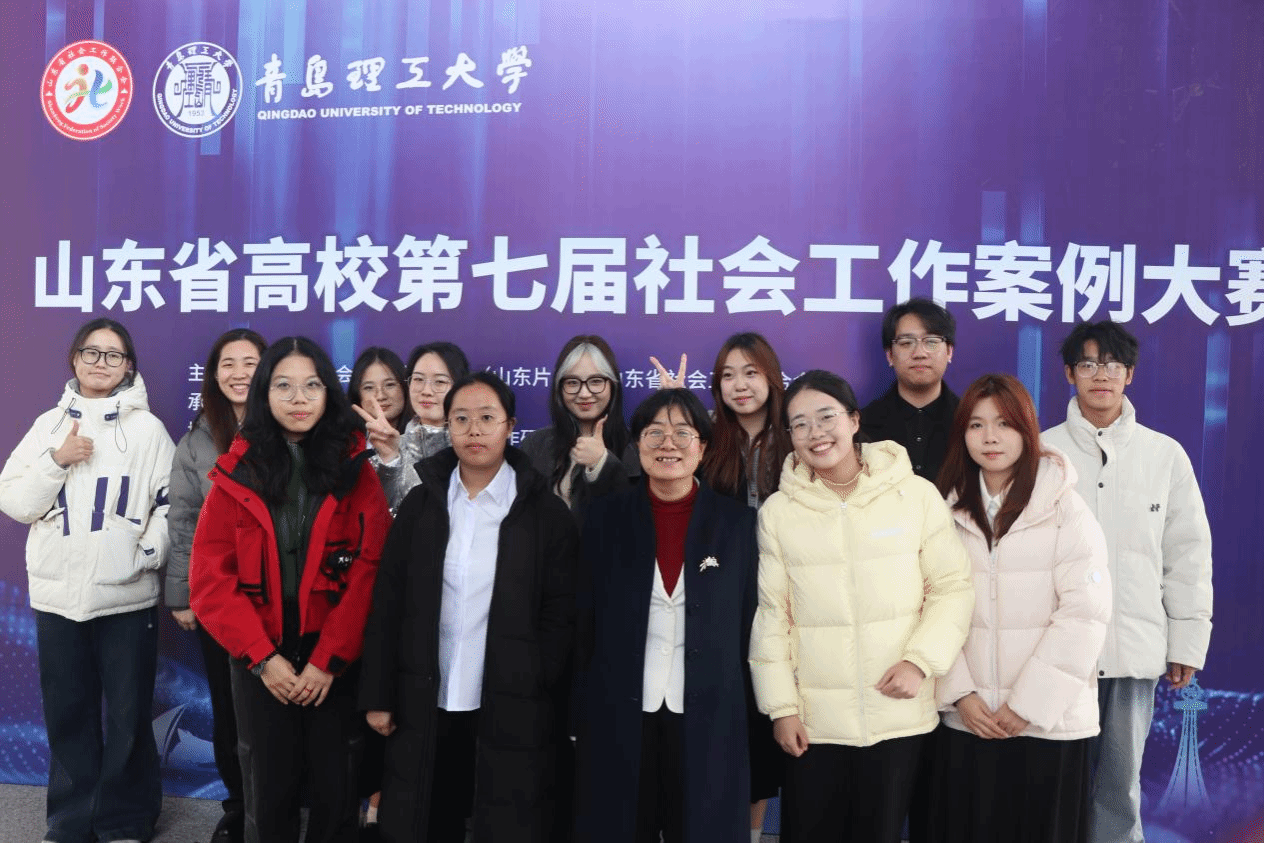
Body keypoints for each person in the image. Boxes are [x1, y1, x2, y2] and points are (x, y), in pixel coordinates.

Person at [750, 370, 973, 843]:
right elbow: (772, 617)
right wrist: (781, 708)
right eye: (800, 424)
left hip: (897, 712)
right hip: (814, 723)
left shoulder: (915, 495)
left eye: (826, 417)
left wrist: (920, 661)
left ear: (854, 420)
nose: (815, 433)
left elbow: (952, 587)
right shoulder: (779, 513)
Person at [359, 372, 578, 843]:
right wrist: (379, 694)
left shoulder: (544, 513)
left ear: (510, 426)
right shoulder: (422, 504)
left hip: (510, 699)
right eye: (461, 419)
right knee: (426, 817)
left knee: (506, 820)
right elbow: (388, 602)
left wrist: (538, 677)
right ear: (448, 427)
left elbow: (562, 613)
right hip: (425, 698)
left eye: (486, 418)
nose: (473, 430)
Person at [190, 336, 391, 843]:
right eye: (283, 386)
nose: (298, 398)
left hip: (334, 654)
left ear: (328, 394)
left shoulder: (356, 468)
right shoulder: (237, 469)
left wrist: (329, 659)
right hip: (261, 651)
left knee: (336, 787)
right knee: (267, 789)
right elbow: (210, 579)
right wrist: (263, 659)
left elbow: (371, 568)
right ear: (264, 393)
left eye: (311, 386)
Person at [0, 318, 176, 843]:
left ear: (129, 366)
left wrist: (144, 554)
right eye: (91, 352)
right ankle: (71, 820)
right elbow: (14, 500)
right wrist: (57, 461)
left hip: (126, 599)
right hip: (57, 598)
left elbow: (173, 505)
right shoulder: (48, 426)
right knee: (68, 713)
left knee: (128, 714)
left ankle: (125, 819)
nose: (101, 363)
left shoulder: (148, 430)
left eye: (113, 355)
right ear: (74, 359)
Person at [1041, 321, 1213, 843]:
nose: (1101, 375)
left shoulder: (1165, 455)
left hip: (1134, 644)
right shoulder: (1042, 453)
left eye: (1112, 364)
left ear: (1129, 375)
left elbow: (1187, 554)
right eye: (1088, 364)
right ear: (1069, 373)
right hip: (1055, 650)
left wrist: (1186, 640)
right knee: (1055, 784)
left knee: (1120, 787)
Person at [927, 373, 1111, 843]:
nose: (990, 437)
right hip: (969, 722)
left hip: (1049, 725)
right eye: (977, 425)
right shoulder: (942, 512)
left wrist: (1028, 704)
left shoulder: (1067, 510)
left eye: (1004, 424)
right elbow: (927, 607)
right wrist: (960, 695)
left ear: (1027, 430)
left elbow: (1084, 615)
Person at [574, 388, 758, 843]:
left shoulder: (737, 525)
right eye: (654, 433)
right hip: (620, 712)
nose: (667, 444)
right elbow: (583, 622)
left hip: (710, 715)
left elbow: (749, 626)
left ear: (703, 447)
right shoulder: (604, 519)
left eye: (682, 433)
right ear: (637, 445)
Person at [166, 327, 266, 843]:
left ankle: (281, 805)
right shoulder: (197, 440)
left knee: (281, 706)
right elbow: (183, 520)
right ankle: (239, 807)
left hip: (280, 596)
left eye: (251, 363)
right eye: (228, 363)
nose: (239, 373)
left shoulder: (291, 428)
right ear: (213, 375)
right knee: (230, 709)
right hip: (218, 596)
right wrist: (181, 593)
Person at [698, 332, 791, 842]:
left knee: (764, 734)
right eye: (728, 375)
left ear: (772, 378)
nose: (740, 385)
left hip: (786, 602)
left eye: (751, 373)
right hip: (720, 604)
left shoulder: (798, 438)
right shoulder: (705, 440)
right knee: (718, 729)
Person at [520, 334, 637, 522]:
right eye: (572, 383)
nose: (584, 393)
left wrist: (602, 463)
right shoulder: (535, 444)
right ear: (559, 388)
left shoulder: (636, 447)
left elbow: (634, 515)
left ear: (612, 385)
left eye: (596, 381)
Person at [356, 341, 470, 511]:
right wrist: (391, 460)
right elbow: (379, 515)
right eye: (418, 379)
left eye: (439, 382)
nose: (426, 391)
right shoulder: (389, 450)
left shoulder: (475, 448)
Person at [860, 297, 959, 482]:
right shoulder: (862, 424)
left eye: (931, 342)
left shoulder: (969, 421)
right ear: (890, 355)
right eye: (906, 343)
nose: (920, 353)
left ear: (949, 351)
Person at [348, 347, 410, 434]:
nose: (381, 396)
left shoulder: (424, 436)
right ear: (357, 394)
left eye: (389, 385)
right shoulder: (342, 438)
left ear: (405, 388)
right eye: (369, 388)